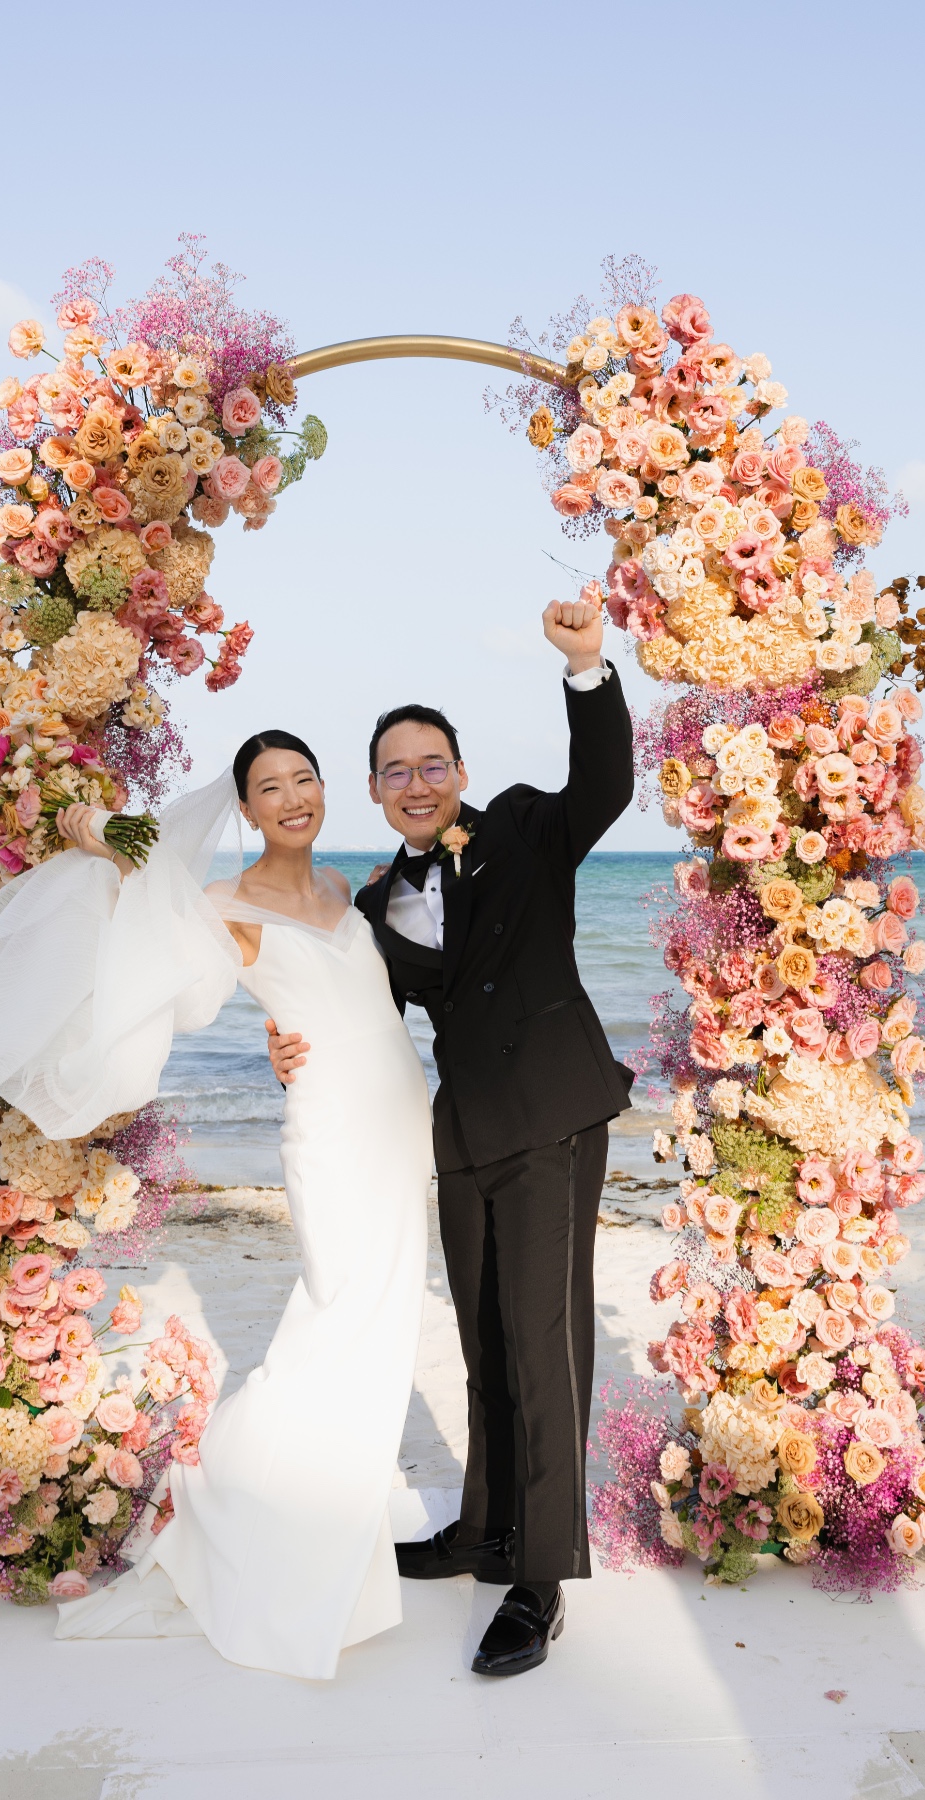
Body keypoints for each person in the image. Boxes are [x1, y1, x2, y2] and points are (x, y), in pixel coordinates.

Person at [0, 732, 433, 1682]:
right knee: (334, 1321)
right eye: (269, 789)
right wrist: (103, 831)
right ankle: (242, 1508)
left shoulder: (348, 891)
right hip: (335, 1139)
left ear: (323, 789)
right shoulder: (226, 904)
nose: (292, 798)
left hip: (401, 1132)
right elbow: (141, 930)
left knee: (384, 1330)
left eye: (303, 780)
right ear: (247, 810)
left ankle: (338, 1508)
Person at [269, 598, 634, 1677]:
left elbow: (606, 784)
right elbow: (353, 1014)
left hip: (554, 1119)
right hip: (463, 1135)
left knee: (545, 1342)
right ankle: (484, 1530)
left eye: (433, 763)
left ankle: (542, 1578)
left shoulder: (525, 826)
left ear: (460, 771)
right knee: (483, 1344)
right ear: (374, 789)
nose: (417, 781)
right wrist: (288, 1052)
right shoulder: (379, 900)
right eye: (396, 769)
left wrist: (585, 668)